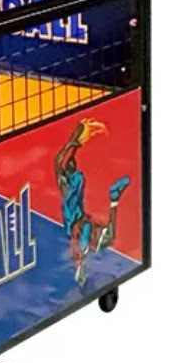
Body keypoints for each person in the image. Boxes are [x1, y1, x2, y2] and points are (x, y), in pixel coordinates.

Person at [56, 119, 130, 287]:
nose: (71, 163)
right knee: (108, 237)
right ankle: (114, 200)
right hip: (82, 221)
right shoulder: (76, 178)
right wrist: (75, 141)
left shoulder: (66, 183)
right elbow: (62, 161)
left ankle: (80, 265)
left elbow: (59, 162)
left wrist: (74, 140)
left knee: (88, 239)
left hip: (77, 224)